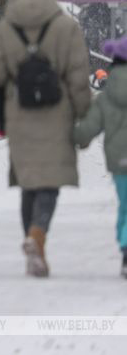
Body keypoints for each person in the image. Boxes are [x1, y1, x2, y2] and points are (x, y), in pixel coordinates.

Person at [0, 0, 91, 278]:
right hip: (56, 115)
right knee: (49, 183)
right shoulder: (65, 26)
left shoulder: (6, 27)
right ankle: (37, 235)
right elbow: (77, 77)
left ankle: (32, 241)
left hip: (20, 114)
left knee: (29, 182)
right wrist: (83, 113)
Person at [74, 36, 127, 279]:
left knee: (125, 205)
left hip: (119, 160)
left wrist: (76, 139)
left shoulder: (106, 97)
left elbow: (88, 128)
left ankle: (125, 244)